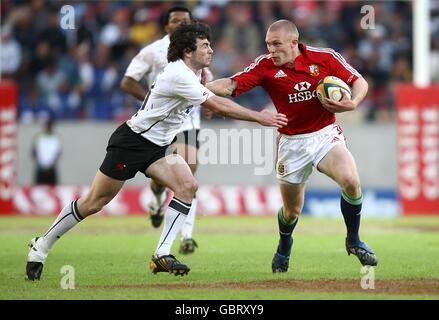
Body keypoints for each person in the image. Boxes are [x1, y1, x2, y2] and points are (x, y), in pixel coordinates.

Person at [25, 21, 288, 280]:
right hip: (132, 142)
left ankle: (161, 254)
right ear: (188, 51)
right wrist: (259, 116)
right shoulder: (178, 74)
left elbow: (212, 94)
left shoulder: (193, 75)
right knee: (94, 202)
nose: (211, 50)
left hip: (159, 146)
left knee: (187, 186)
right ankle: (42, 244)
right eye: (205, 45)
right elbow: (220, 105)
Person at [206, 20, 378, 273]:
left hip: (324, 134)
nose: (271, 50)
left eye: (276, 44)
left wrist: (353, 102)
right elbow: (231, 84)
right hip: (291, 143)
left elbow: (359, 81)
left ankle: (353, 240)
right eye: (268, 44)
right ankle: (284, 245)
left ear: (293, 43)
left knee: (350, 180)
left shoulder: (324, 58)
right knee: (291, 211)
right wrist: (200, 89)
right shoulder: (265, 66)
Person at [120, 6, 208, 254]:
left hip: (188, 122)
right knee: (162, 181)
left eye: (185, 21)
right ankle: (158, 199)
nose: (180, 24)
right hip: (158, 124)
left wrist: (209, 102)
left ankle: (186, 237)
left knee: (188, 172)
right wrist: (151, 98)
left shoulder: (198, 49)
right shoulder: (152, 52)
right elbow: (127, 81)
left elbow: (205, 79)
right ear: (167, 26)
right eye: (175, 20)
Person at [31, 117, 62, 185]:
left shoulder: (56, 137)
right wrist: (39, 163)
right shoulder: (39, 137)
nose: (49, 127)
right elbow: (34, 151)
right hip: (41, 168)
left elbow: (58, 153)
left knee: (53, 189)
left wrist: (52, 165)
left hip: (51, 169)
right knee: (39, 189)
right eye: (48, 125)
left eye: (50, 125)